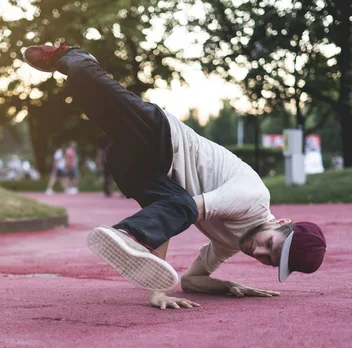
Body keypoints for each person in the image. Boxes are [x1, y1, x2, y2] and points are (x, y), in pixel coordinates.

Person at [23, 43, 327, 310]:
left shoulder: (231, 244)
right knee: (94, 92)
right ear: (280, 224)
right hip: (162, 137)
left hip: (139, 170)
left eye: (267, 260)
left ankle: (131, 235)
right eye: (269, 245)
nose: (257, 252)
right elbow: (181, 212)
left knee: (174, 201)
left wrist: (227, 286)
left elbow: (192, 280)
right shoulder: (253, 198)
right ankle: (73, 54)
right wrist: (153, 274)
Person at [96, 133, 113, 197]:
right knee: (108, 176)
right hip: (108, 158)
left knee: (107, 176)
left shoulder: (101, 137)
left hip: (106, 158)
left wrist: (99, 162)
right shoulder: (112, 135)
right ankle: (108, 190)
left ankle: (107, 190)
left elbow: (99, 151)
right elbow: (100, 151)